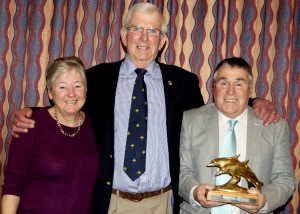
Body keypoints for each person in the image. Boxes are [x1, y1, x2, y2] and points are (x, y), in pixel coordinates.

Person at [10, 3, 280, 214]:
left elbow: (212, 115)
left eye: (153, 31)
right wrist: (30, 113)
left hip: (162, 202)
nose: (144, 38)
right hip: (109, 201)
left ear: (162, 40)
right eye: (137, 28)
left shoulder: (183, 83)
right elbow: (68, 103)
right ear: (123, 35)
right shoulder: (96, 78)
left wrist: (255, 102)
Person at [178, 57, 295, 214]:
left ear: (250, 89)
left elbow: (285, 179)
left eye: (239, 84)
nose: (231, 91)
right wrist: (194, 191)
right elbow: (181, 171)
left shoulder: (275, 127)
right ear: (213, 87)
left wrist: (264, 199)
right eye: (224, 83)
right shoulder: (190, 120)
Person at [2, 56, 99, 214]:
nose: (71, 94)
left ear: (86, 91)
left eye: (77, 86)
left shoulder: (95, 126)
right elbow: (13, 185)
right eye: (62, 87)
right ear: (50, 92)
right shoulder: (30, 125)